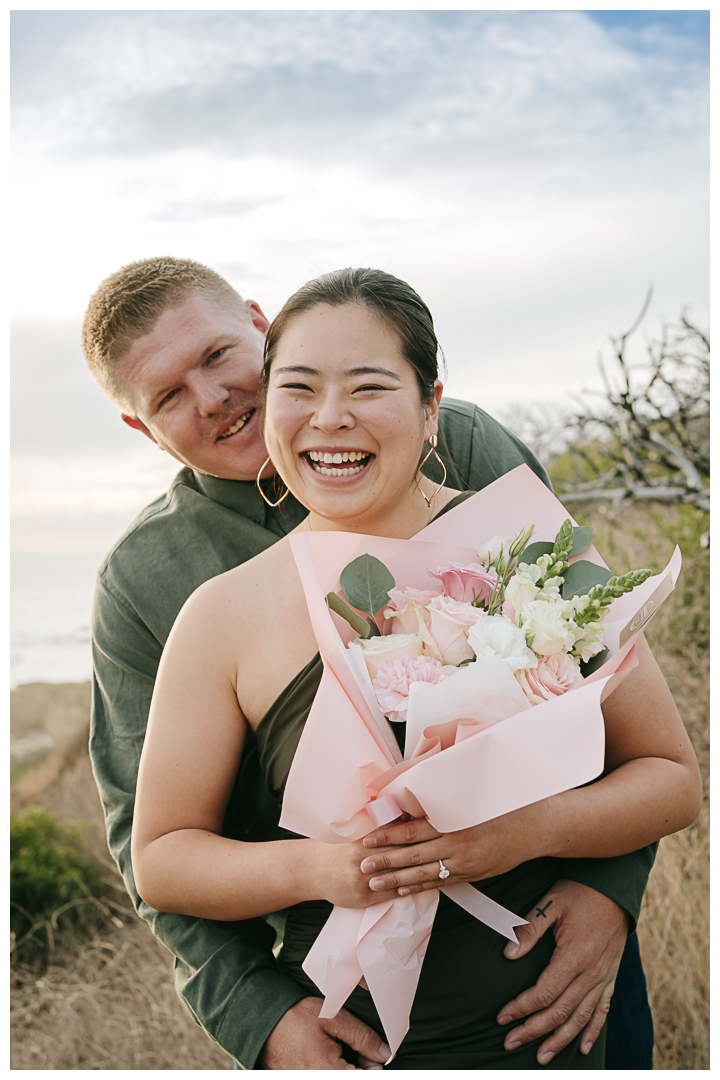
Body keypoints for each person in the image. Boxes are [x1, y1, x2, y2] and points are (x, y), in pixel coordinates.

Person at [84, 257, 658, 1069]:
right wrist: (263, 1018)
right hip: (359, 988)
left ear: (259, 322)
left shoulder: (460, 443)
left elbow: (598, 675)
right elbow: (150, 838)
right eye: (169, 397)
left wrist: (612, 889)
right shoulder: (151, 583)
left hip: (559, 944)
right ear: (142, 429)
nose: (212, 399)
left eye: (216, 357)